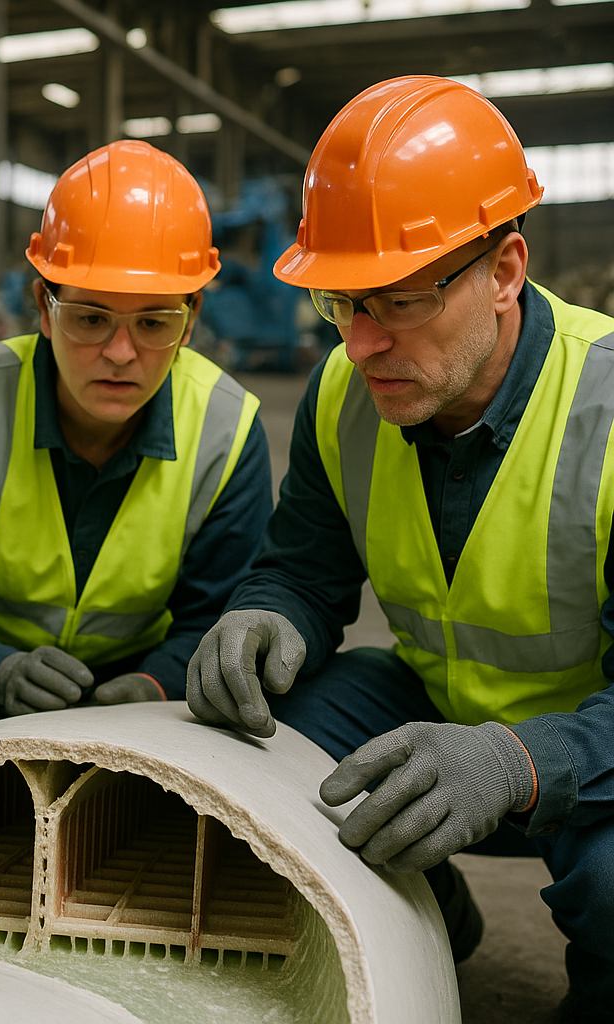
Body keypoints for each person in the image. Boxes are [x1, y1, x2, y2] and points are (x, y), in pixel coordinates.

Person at [186, 75, 614, 1021]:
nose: (364, 344)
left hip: (591, 744)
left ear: (504, 271)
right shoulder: (346, 394)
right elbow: (304, 568)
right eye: (342, 303)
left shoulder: (609, 410)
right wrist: (267, 613)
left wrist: (514, 761)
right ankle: (430, 915)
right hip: (435, 708)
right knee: (251, 756)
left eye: (400, 302)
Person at [0, 140, 272, 727]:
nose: (120, 353)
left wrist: (157, 685)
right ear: (44, 311)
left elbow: (220, 614)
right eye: (91, 318)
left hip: (152, 700)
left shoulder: (228, 427)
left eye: (153, 322)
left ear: (191, 322)